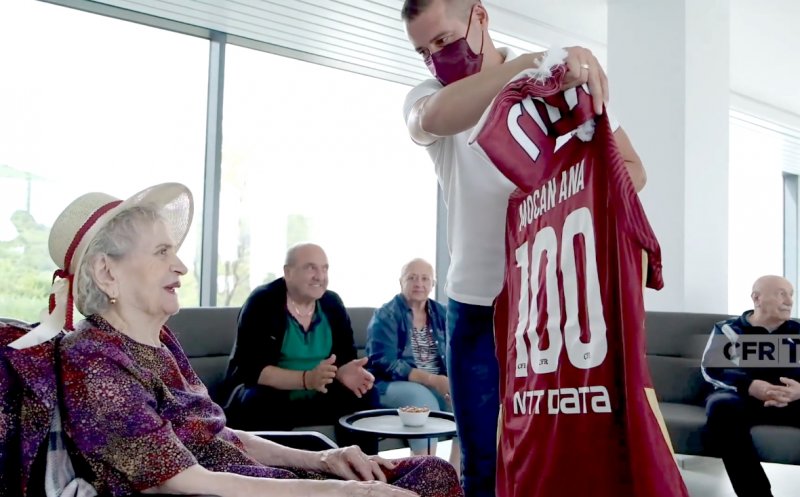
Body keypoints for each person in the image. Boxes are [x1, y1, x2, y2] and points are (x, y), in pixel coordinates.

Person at [46, 183, 463, 497]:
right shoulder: (94, 358)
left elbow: (221, 435)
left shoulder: (160, 343)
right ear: (107, 272)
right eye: (161, 252)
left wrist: (326, 458)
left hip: (252, 474)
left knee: (432, 472)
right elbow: (179, 480)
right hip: (224, 487)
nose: (181, 266)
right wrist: (339, 491)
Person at [400, 1, 646, 495]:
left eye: (443, 41)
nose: (435, 58)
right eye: (424, 51)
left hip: (554, 308)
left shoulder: (560, 88)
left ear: (480, 17)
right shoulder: (432, 95)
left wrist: (565, 187)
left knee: (561, 458)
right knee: (483, 464)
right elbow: (432, 117)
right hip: (478, 310)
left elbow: (633, 172)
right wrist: (532, 65)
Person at [225, 242, 378, 453]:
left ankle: (364, 467)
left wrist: (344, 372)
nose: (320, 276)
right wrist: (307, 379)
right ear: (288, 272)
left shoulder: (332, 303)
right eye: (310, 268)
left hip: (318, 394)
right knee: (258, 400)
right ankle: (278, 469)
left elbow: (345, 356)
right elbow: (252, 370)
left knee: (364, 394)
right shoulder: (263, 301)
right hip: (273, 394)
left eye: (324, 268)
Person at [701, 275, 800, 497]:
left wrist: (798, 391)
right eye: (781, 294)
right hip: (742, 398)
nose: (789, 301)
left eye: (791, 295)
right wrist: (750, 386)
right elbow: (712, 368)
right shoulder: (729, 329)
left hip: (791, 399)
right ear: (757, 298)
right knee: (720, 407)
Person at [366, 258, 459, 467]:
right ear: (401, 282)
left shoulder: (443, 313)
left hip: (437, 383)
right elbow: (385, 363)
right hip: (390, 384)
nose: (419, 283)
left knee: (464, 401)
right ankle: (423, 472)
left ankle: (455, 473)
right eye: (412, 278)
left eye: (425, 278)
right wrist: (433, 380)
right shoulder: (386, 315)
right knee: (422, 401)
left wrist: (451, 382)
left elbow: (458, 352)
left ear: (433, 284)